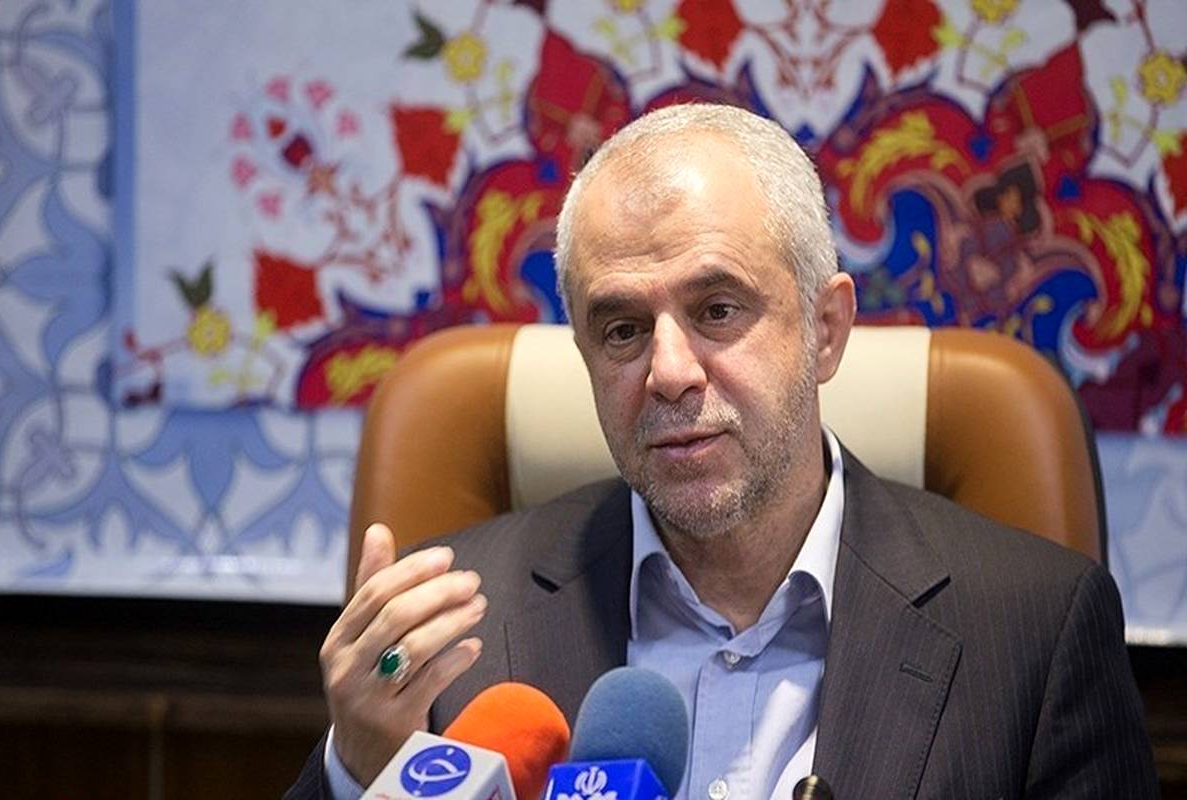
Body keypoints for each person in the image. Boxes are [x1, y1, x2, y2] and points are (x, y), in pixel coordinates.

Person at [287, 104, 1158, 799]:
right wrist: (357, 766)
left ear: (825, 329)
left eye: (717, 311)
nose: (668, 373)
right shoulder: (455, 630)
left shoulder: (1035, 629)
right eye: (622, 329)